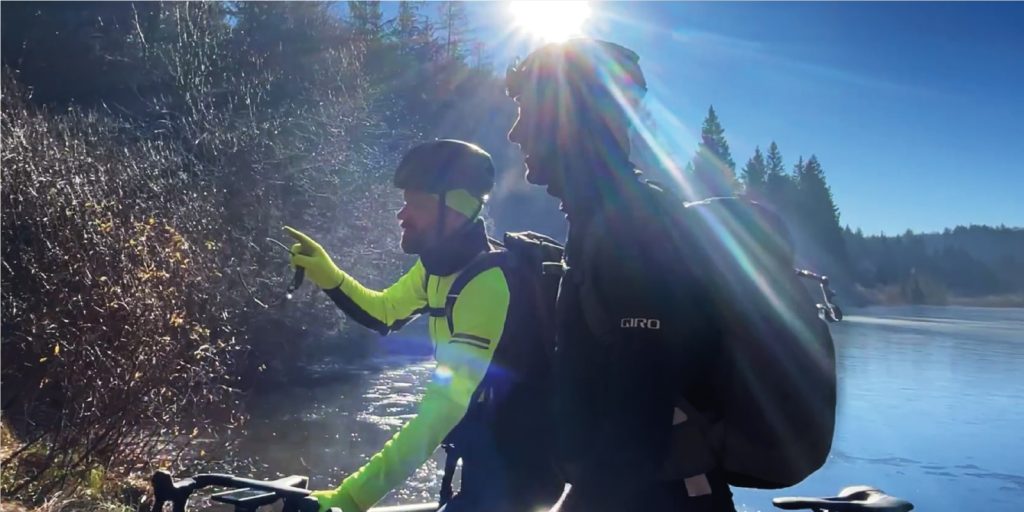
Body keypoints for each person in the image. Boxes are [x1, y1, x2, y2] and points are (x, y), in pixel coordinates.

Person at [505, 39, 738, 511]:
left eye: (527, 112)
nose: (515, 133)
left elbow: (638, 423)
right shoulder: (600, 222)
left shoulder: (632, 229)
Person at [285, 140, 562, 512]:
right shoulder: (436, 267)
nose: (402, 214)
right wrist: (328, 274)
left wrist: (351, 498)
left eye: (416, 204)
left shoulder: (488, 286)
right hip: (485, 453)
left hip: (521, 474)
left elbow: (439, 414)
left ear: (457, 209)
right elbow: (385, 311)